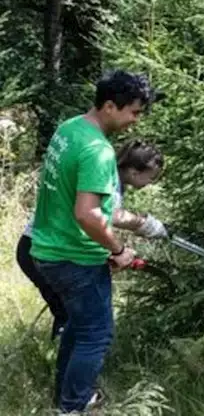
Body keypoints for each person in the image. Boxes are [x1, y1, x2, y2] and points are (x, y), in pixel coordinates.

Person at [29, 70, 164, 414]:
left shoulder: (69, 129)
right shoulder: (98, 151)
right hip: (74, 258)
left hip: (48, 249)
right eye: (133, 112)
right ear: (108, 106)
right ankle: (73, 407)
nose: (136, 120)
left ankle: (66, 399)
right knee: (95, 334)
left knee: (78, 327)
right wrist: (118, 250)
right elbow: (88, 214)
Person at [15, 139, 170, 341]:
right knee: (70, 312)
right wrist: (145, 225)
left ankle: (63, 358)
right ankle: (66, 358)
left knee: (68, 309)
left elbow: (88, 226)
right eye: (151, 178)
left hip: (45, 245)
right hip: (38, 247)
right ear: (134, 172)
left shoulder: (112, 178)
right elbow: (109, 215)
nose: (151, 183)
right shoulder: (108, 179)